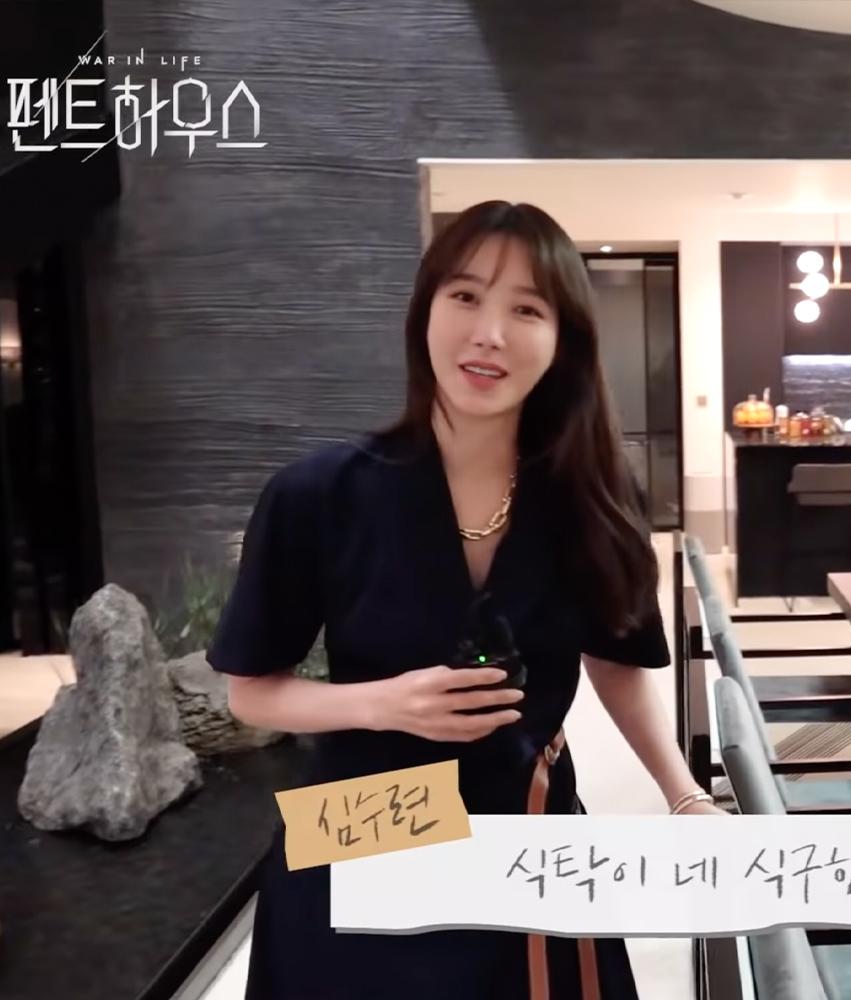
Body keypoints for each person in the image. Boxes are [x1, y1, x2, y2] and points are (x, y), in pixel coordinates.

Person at [208, 200, 725, 1000]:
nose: (490, 332)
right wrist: (384, 703)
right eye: (466, 296)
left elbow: (617, 658)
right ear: (426, 313)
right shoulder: (318, 493)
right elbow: (252, 691)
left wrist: (684, 794)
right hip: (361, 817)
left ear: (563, 342)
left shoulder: (588, 494)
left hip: (526, 823)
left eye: (526, 308)